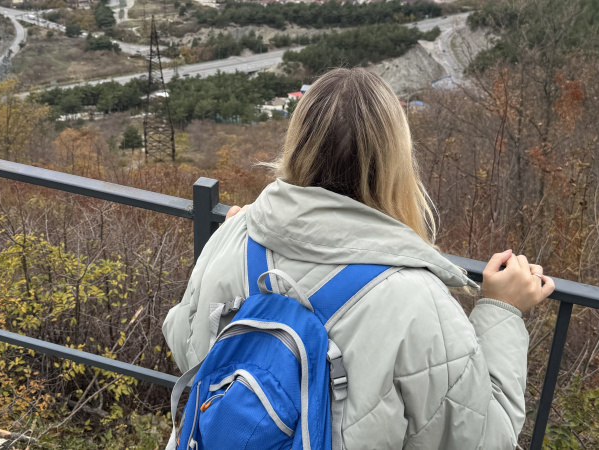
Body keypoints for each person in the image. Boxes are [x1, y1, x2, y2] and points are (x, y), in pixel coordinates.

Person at [163, 68, 555, 449]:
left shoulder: (235, 235)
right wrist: (502, 310)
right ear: (396, 164)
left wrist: (238, 233)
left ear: (297, 145)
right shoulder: (418, 301)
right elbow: (486, 438)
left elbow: (185, 343)